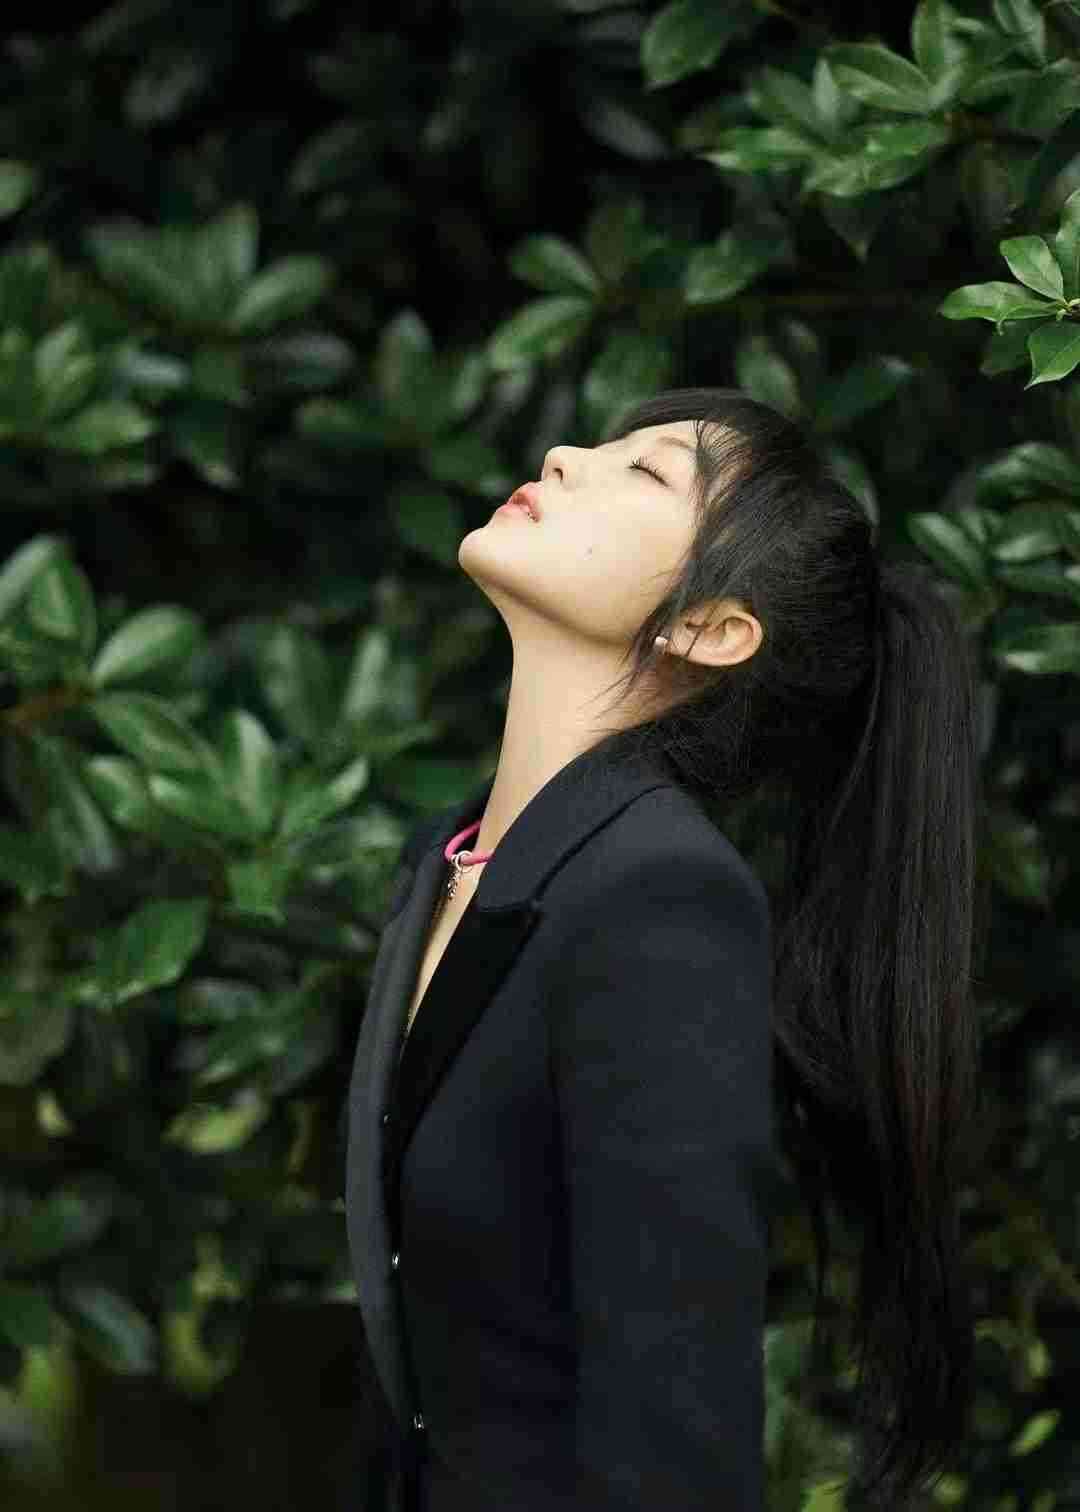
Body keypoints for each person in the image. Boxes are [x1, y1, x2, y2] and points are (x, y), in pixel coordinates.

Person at [341, 387, 987, 1512]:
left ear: (711, 627)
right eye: (603, 445)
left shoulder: (661, 903)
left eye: (645, 472)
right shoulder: (446, 859)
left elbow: (676, 1432)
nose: (564, 454)